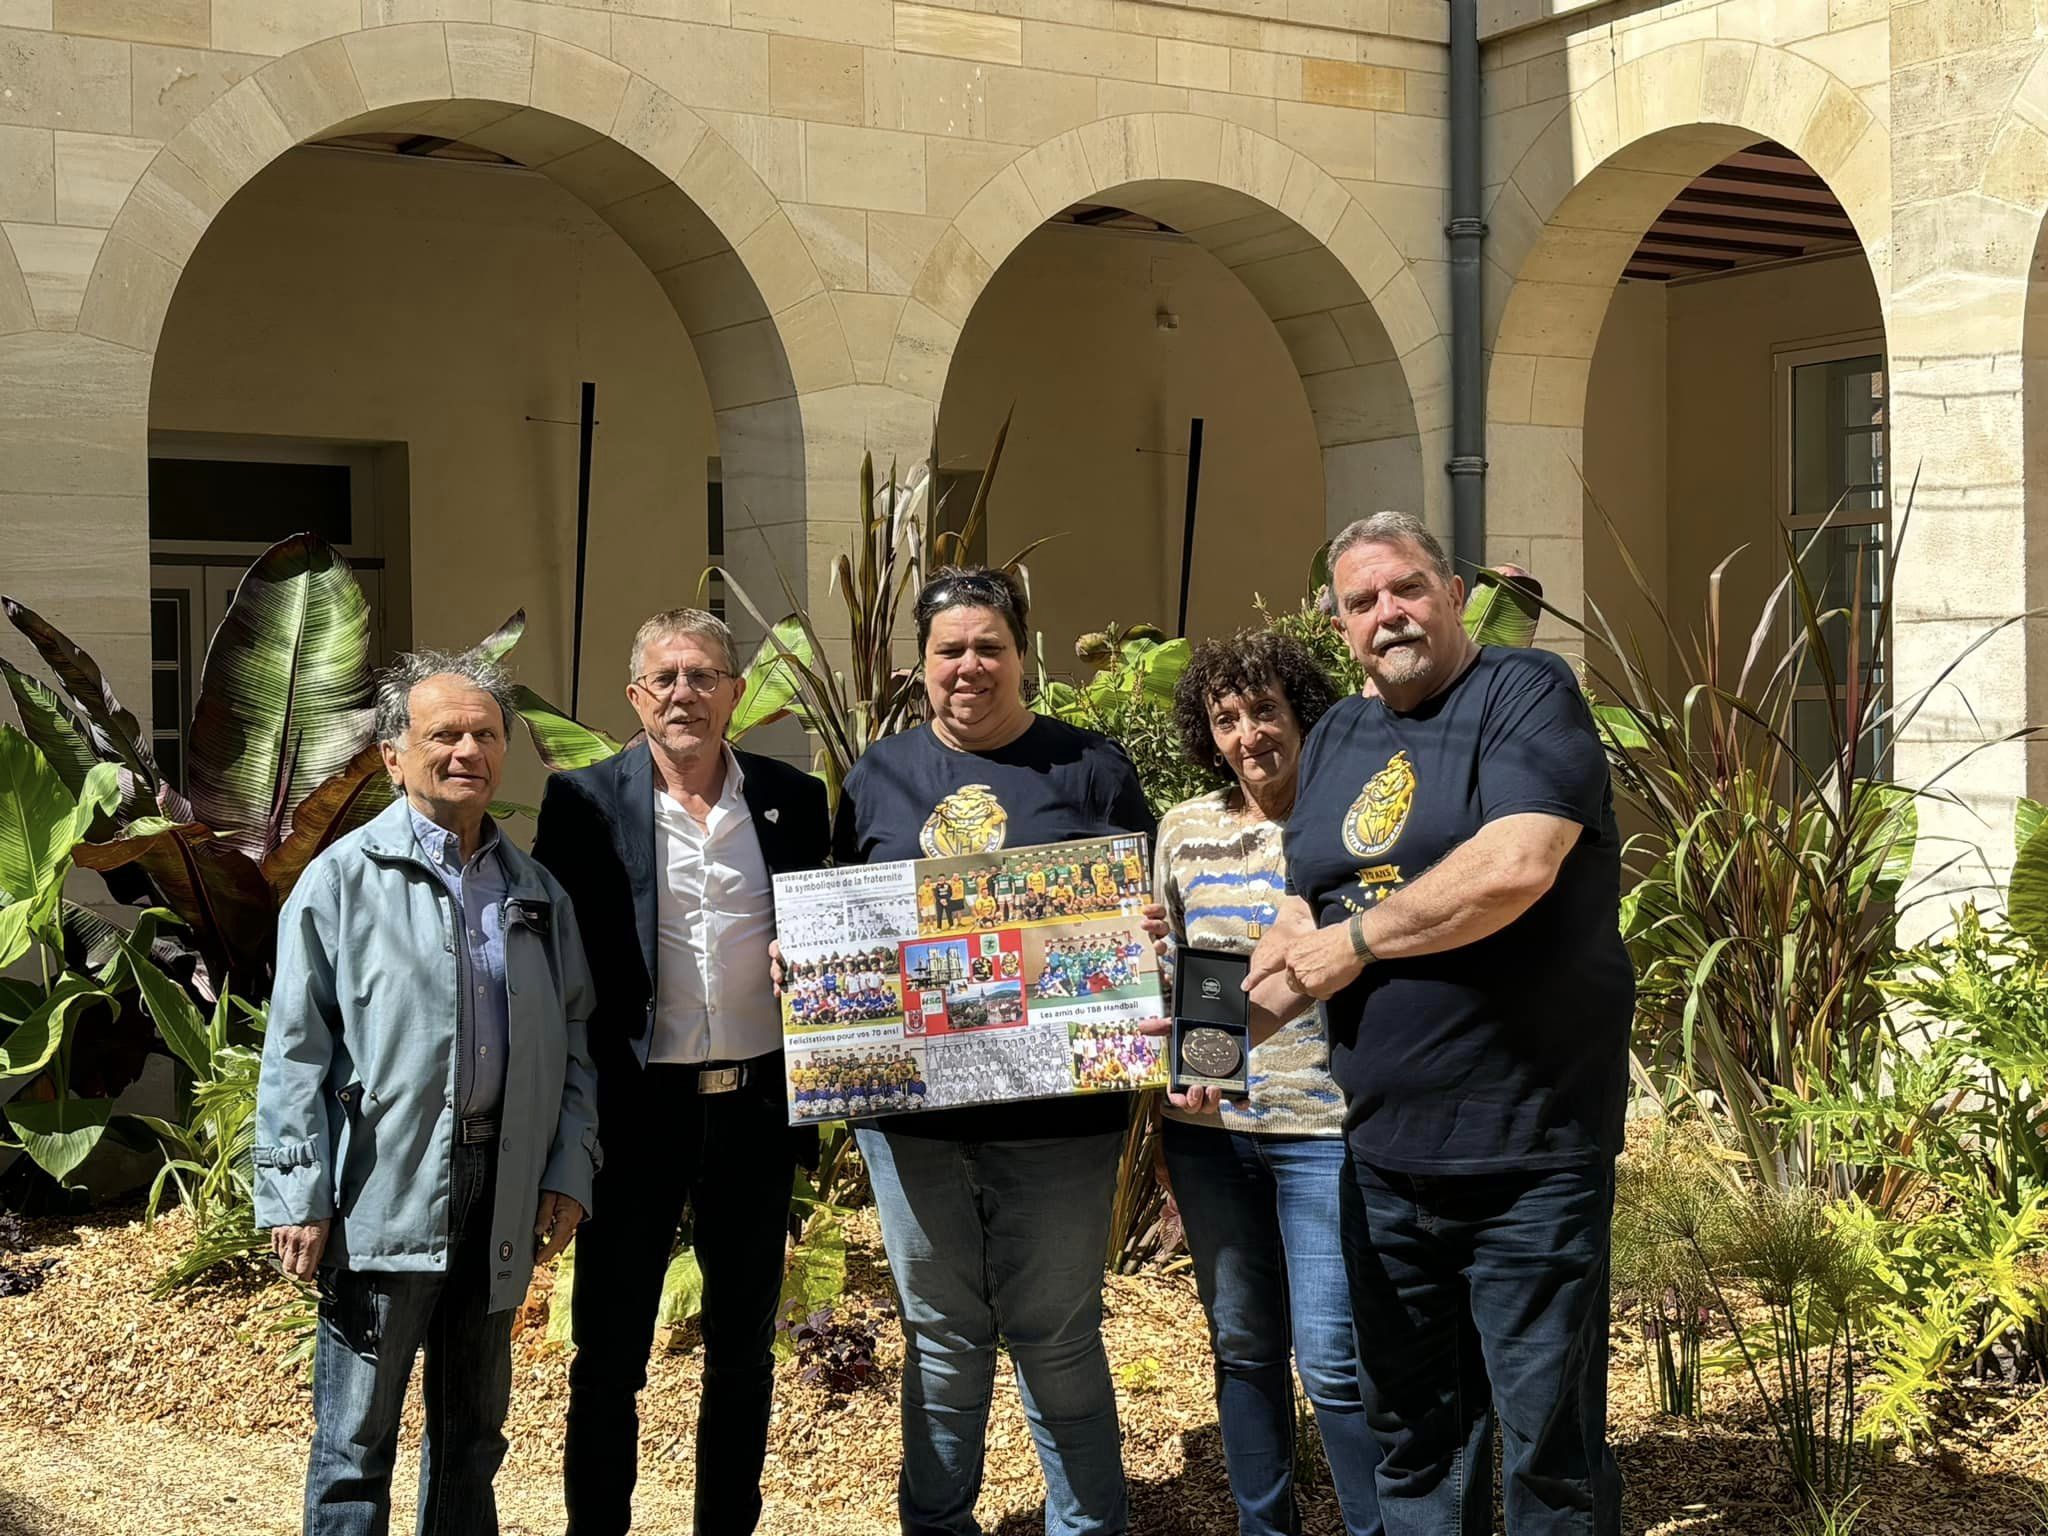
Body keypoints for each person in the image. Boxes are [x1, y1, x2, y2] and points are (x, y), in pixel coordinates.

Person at [1193, 512, 1629, 1535]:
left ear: (1446, 589)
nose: (1386, 613)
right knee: (1414, 1447)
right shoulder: (1340, 735)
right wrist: (1200, 1042)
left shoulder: (1523, 697)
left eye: (1405, 588)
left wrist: (1355, 945)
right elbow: (1300, 917)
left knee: (1547, 1457)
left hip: (1528, 1155)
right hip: (1386, 1162)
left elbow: (1516, 864)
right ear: (1338, 626)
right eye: (1360, 602)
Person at [832, 566, 1155, 1536]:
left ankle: (1087, 1525)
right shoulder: (874, 777)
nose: (968, 667)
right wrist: (806, 967)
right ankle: (937, 1525)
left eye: (988, 648)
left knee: (1056, 1336)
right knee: (939, 1336)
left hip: (1058, 1121)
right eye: (948, 651)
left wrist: (1146, 925)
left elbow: (1140, 915)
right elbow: (846, 922)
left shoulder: (1089, 769)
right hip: (911, 1121)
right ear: (917, 667)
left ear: (1021, 655)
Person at [255, 651, 600, 1536]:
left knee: (472, 1436)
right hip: (386, 1183)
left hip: (503, 1182)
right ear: (392, 755)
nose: (467, 751)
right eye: (443, 733)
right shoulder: (341, 883)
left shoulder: (535, 893)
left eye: (485, 734)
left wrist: (568, 1166)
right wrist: (299, 1193)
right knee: (354, 1444)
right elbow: (296, 1051)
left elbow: (575, 1043)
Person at [532, 608, 830, 1536]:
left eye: (703, 676)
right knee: (609, 1354)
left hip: (756, 1107)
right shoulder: (581, 802)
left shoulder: (793, 799)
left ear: (736, 694)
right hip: (636, 1110)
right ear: (634, 697)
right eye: (663, 678)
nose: (682, 694)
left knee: (742, 1353)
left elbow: (837, 924)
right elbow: (555, 963)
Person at [1153, 630, 1382, 1536]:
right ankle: (1264, 1527)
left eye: (1265, 711)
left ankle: (1377, 1528)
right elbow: (1168, 973)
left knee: (1331, 1361)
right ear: (1209, 735)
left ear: (1301, 714)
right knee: (1242, 1348)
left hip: (1324, 1128)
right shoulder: (1184, 828)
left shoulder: (1350, 818)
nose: (1249, 733)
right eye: (1227, 718)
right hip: (1211, 1135)